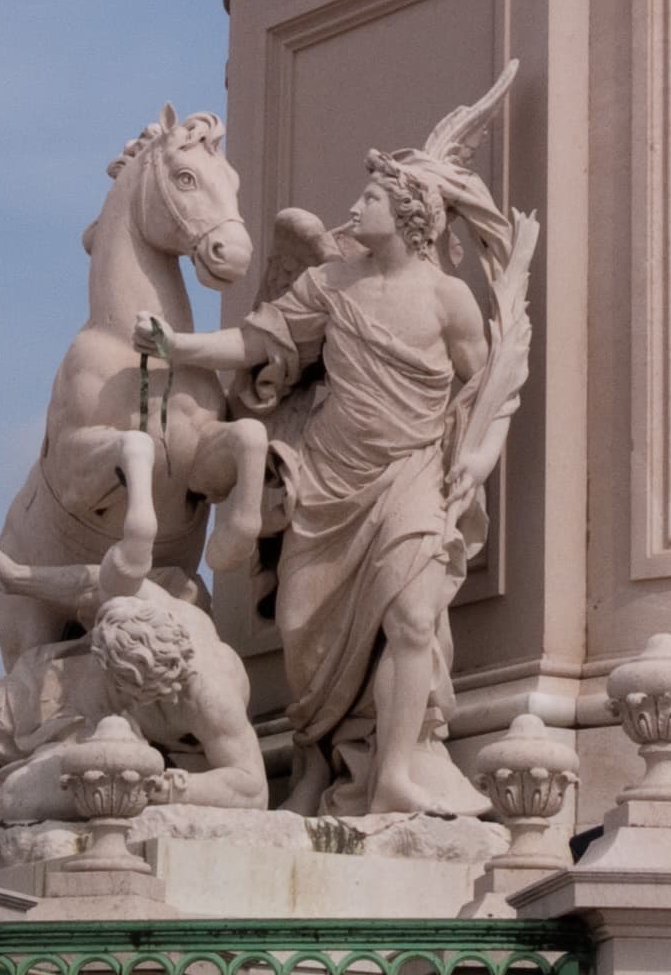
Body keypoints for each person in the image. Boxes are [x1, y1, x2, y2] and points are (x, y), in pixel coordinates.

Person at [136, 100, 530, 820]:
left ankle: (396, 775)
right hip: (325, 481)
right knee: (302, 632)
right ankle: (318, 761)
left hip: (411, 475)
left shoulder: (449, 301)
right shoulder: (330, 286)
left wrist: (478, 457)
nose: (354, 208)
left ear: (408, 213)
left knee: (412, 620)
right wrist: (177, 346)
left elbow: (490, 391)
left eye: (370, 197)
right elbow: (256, 343)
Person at [0, 507, 266, 828]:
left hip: (119, 737)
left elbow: (252, 788)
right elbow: (92, 582)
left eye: (136, 694)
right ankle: (1, 804)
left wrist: (162, 788)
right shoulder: (143, 604)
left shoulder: (211, 696)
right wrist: (15, 577)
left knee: (34, 792)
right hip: (68, 677)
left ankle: (0, 810)